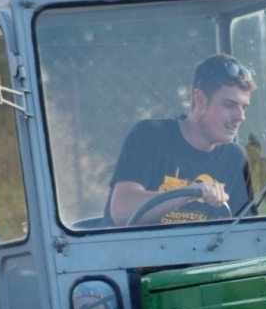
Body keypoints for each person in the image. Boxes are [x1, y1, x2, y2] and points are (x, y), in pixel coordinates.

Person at [106, 53, 255, 227]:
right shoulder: (151, 135)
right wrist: (189, 192)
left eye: (244, 107)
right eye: (229, 105)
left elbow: (248, 231)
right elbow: (121, 212)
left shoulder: (234, 158)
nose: (241, 117)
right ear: (200, 99)